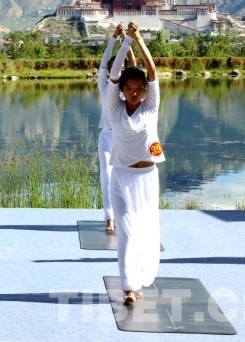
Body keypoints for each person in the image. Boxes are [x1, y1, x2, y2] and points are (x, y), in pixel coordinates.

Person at [107, 22, 164, 305]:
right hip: (121, 178)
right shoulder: (115, 108)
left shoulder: (150, 107)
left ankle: (138, 280)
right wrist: (125, 43)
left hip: (147, 178)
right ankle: (129, 288)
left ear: (144, 90)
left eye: (138, 89)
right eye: (128, 88)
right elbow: (113, 75)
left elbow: (152, 72)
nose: (133, 92)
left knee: (144, 233)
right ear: (122, 90)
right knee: (127, 234)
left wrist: (140, 39)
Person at [97, 23, 136, 232]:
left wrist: (128, 40)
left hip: (124, 137)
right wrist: (114, 38)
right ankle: (109, 218)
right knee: (107, 176)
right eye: (115, 67)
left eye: (121, 67)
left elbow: (133, 64)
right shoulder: (104, 85)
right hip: (106, 137)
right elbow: (104, 64)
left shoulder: (127, 88)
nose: (118, 69)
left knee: (126, 177)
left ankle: (126, 214)